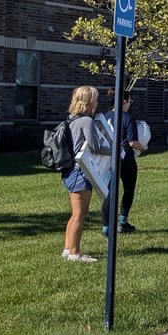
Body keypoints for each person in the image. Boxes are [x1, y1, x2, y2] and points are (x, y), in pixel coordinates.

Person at [61, 85, 110, 263]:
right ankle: (75, 253)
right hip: (79, 172)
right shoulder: (86, 121)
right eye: (95, 99)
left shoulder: (71, 119)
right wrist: (114, 149)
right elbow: (95, 147)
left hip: (70, 171)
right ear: (89, 101)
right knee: (80, 214)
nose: (97, 102)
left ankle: (68, 249)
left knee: (75, 213)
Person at [101, 91, 146, 235]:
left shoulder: (105, 116)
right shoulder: (127, 118)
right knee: (128, 189)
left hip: (109, 157)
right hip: (125, 157)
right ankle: (122, 222)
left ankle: (106, 227)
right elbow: (132, 142)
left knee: (109, 191)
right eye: (130, 101)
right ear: (124, 101)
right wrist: (143, 147)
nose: (130, 104)